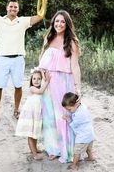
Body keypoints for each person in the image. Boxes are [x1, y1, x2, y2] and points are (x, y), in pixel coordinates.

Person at [38, 10, 81, 163]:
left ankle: (67, 149)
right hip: (48, 83)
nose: (59, 24)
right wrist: (41, 78)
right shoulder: (49, 38)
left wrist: (78, 88)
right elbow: (42, 59)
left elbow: (75, 66)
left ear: (67, 24)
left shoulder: (71, 42)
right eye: (57, 21)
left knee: (64, 115)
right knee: (49, 116)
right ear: (53, 23)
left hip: (64, 82)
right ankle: (53, 148)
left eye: (62, 21)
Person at [15, 69, 51, 160]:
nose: (36, 80)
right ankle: (34, 154)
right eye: (34, 78)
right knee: (30, 134)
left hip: (36, 115)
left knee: (35, 133)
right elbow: (40, 91)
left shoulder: (41, 88)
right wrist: (47, 81)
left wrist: (44, 78)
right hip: (30, 115)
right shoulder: (32, 89)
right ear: (31, 80)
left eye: (39, 79)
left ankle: (35, 149)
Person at [62, 92, 95, 170]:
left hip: (83, 137)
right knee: (88, 148)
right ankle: (90, 158)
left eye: (69, 109)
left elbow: (74, 124)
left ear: (76, 104)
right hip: (90, 134)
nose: (69, 111)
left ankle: (74, 164)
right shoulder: (82, 106)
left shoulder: (79, 114)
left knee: (77, 151)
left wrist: (68, 119)